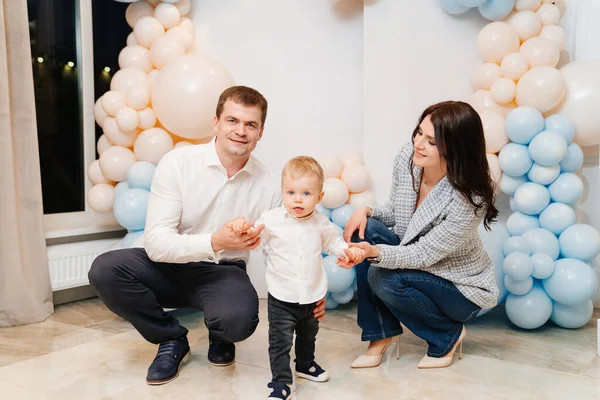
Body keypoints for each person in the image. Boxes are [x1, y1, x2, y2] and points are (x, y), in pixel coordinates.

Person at [88, 86, 327, 386]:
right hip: (167, 266)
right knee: (106, 269)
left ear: (260, 132)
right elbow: (157, 244)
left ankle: (220, 333)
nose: (240, 131)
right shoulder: (177, 163)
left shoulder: (270, 185)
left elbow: (286, 249)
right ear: (216, 122)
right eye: (232, 120)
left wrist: (308, 294)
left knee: (238, 322)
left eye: (250, 124)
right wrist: (215, 241)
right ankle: (171, 338)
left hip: (223, 273)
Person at [341, 100, 499, 370]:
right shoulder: (409, 158)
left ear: (457, 147)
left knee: (382, 276)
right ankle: (381, 334)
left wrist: (375, 252)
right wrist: (365, 212)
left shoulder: (470, 197)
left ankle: (446, 334)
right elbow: (395, 211)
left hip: (459, 288)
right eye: (419, 133)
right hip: (419, 266)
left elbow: (424, 253)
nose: (418, 143)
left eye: (432, 141)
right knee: (363, 231)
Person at [229, 156, 364, 400]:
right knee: (280, 341)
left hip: (312, 294)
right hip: (282, 296)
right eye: (291, 192)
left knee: (308, 335)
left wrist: (347, 250)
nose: (297, 199)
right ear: (282, 192)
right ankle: (281, 381)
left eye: (306, 193)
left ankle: (305, 364)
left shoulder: (320, 222)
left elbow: (333, 243)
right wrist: (244, 229)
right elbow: (255, 238)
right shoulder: (271, 220)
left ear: (319, 197)